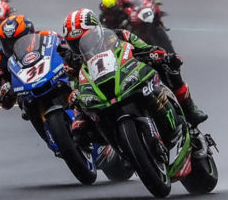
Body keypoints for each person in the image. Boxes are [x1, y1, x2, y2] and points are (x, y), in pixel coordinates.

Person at [63, 8, 207, 127]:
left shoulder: (119, 35)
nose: (80, 46)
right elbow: (75, 85)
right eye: (74, 43)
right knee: (79, 128)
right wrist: (74, 95)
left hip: (130, 76)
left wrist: (156, 54)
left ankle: (189, 109)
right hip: (100, 97)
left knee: (169, 65)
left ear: (97, 31)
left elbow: (145, 48)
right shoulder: (72, 60)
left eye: (86, 39)